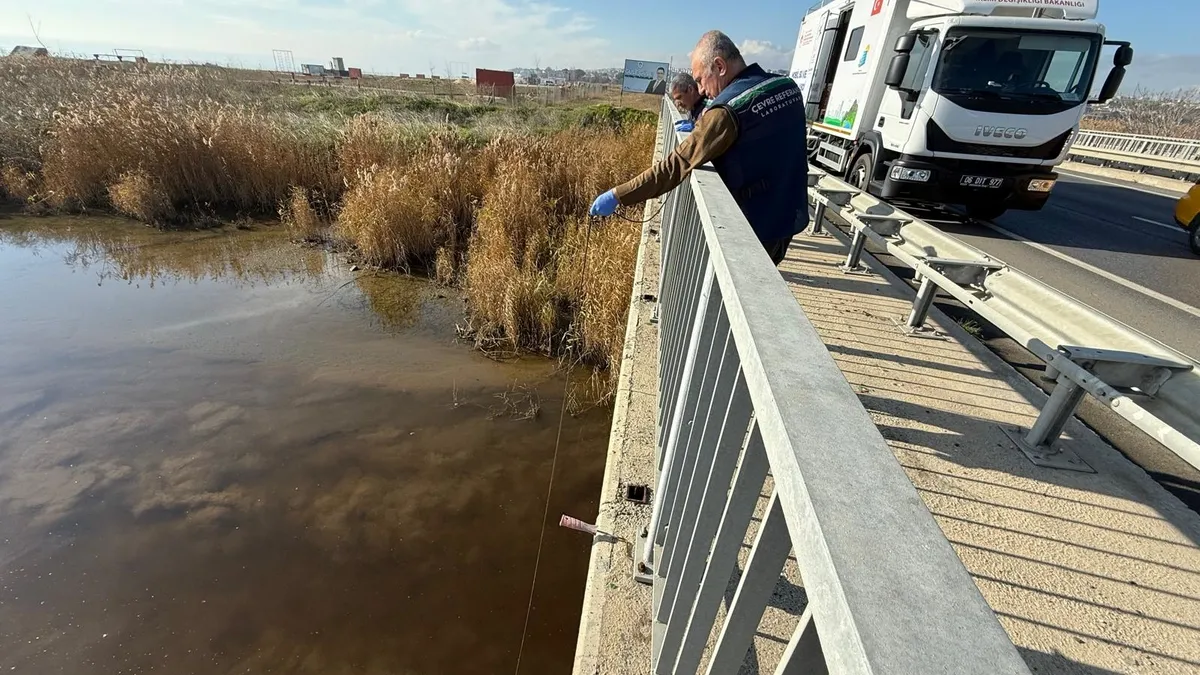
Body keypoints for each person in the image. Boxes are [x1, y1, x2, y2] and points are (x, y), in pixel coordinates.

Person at [590, 31, 809, 266]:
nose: (702, 90)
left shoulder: (727, 110)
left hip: (756, 224)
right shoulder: (786, 86)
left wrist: (618, 195)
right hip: (790, 210)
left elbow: (675, 165)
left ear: (720, 66)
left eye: (701, 79)